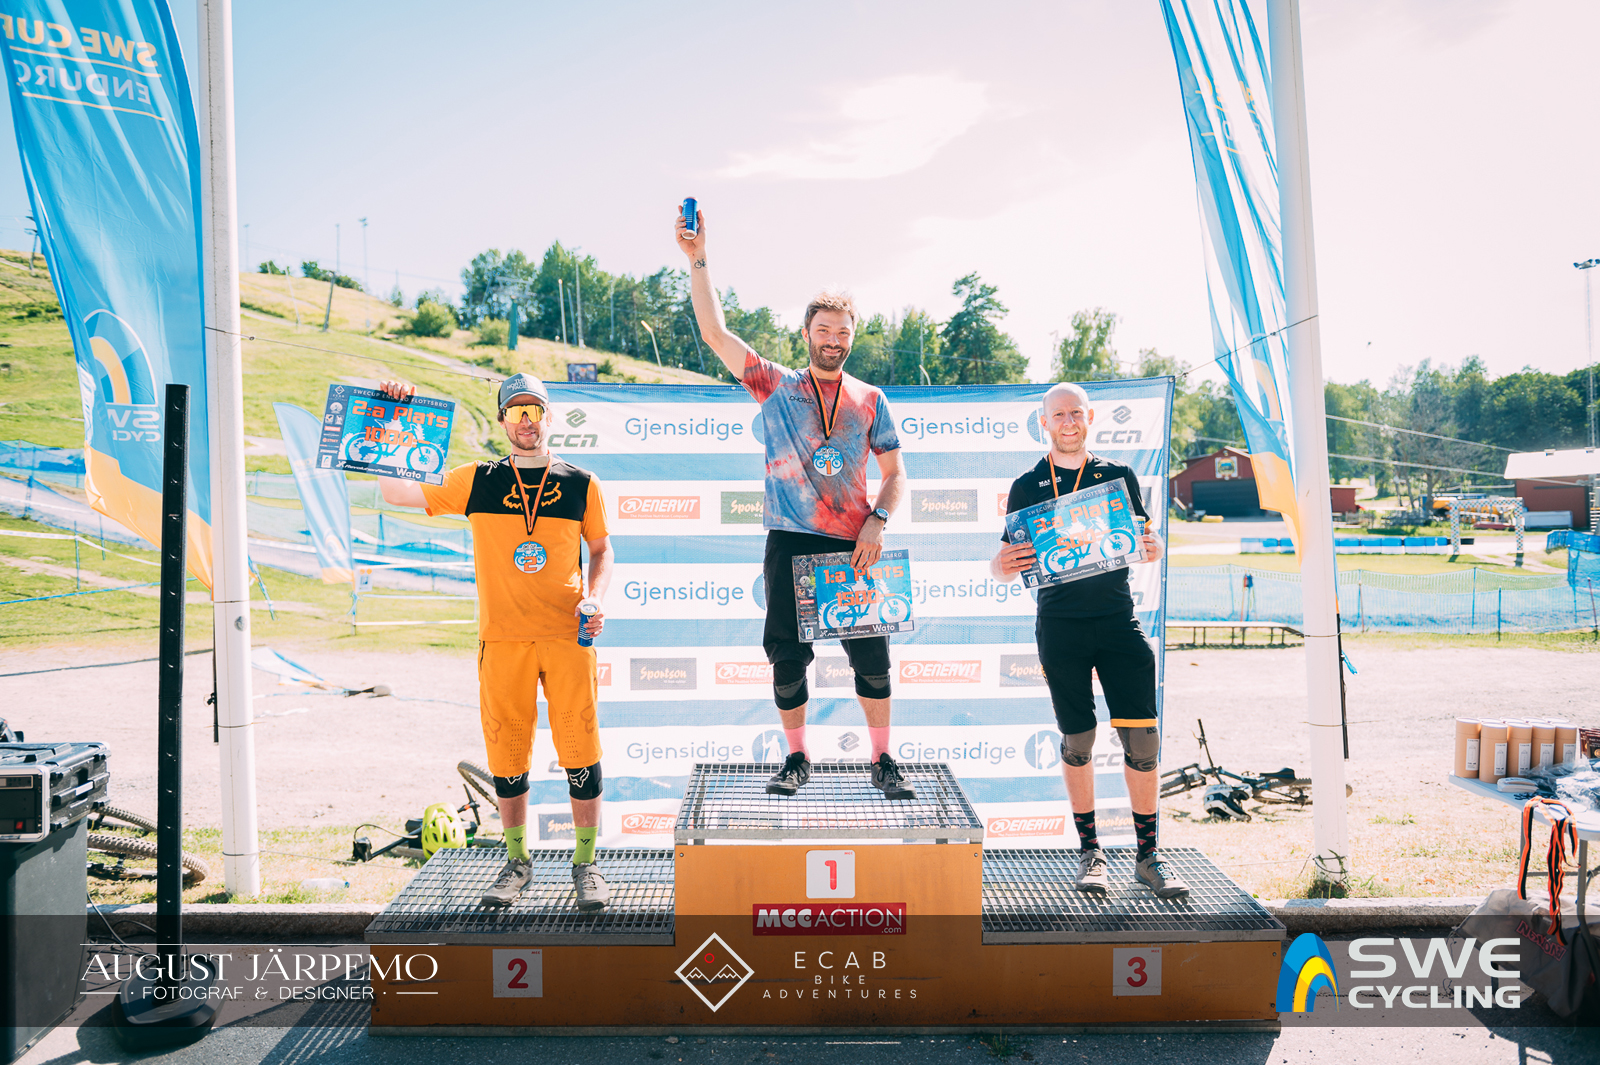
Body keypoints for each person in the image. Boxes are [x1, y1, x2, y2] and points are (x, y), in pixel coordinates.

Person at [677, 204, 913, 799]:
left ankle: (882, 760)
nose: (833, 341)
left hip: (854, 544)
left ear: (853, 337)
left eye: (843, 332)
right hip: (790, 538)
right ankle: (797, 758)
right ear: (806, 333)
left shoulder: (870, 398)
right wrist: (698, 260)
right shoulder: (778, 386)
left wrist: (878, 520)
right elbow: (715, 334)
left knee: (873, 658)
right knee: (787, 655)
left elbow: (895, 475)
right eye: (824, 330)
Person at [374, 374, 615, 910]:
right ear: (503, 420)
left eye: (536, 410)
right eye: (517, 411)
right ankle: (517, 862)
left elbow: (601, 549)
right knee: (508, 756)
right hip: (504, 641)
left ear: (549, 416)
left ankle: (586, 863)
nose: (527, 421)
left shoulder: (582, 483)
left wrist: (595, 599)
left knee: (580, 751)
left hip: (566, 638)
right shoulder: (476, 479)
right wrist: (392, 418)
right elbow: (396, 492)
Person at [990, 382, 1188, 899]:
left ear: (1090, 417)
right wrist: (1000, 564)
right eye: (1059, 415)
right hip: (1060, 627)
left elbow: (1145, 540)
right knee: (1078, 741)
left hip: (1118, 620)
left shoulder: (1119, 476)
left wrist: (1154, 547)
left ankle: (1148, 856)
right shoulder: (1026, 485)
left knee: (1143, 743)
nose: (1068, 422)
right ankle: (1091, 853)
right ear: (1044, 422)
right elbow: (1003, 563)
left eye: (1076, 413)